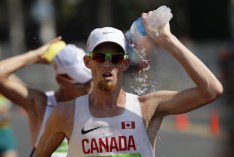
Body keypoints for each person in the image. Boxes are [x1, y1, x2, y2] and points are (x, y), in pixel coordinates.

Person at [33, 11, 223, 157]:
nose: (107, 64)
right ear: (88, 62)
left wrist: (168, 40)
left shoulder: (146, 107)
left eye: (115, 58)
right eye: (99, 57)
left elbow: (211, 90)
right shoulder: (65, 113)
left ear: (124, 63)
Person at [0, 37, 93, 156]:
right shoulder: (42, 104)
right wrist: (36, 55)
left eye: (91, 80)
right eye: (81, 83)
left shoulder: (96, 104)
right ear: (60, 80)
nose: (89, 87)